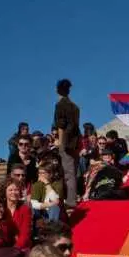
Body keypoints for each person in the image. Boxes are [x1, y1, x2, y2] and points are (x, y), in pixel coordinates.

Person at [53, 79, 81, 208]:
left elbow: (61, 126)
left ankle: (70, 201)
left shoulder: (60, 105)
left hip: (67, 142)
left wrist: (60, 142)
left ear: (57, 90)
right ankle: (71, 198)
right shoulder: (75, 106)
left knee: (68, 173)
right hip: (76, 142)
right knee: (73, 172)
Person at [1, 178, 32, 251]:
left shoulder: (25, 209)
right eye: (10, 190)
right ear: (4, 192)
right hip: (3, 246)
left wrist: (16, 248)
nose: (14, 192)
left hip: (21, 246)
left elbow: (25, 233)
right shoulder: (0, 207)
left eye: (16, 190)